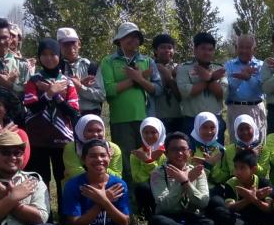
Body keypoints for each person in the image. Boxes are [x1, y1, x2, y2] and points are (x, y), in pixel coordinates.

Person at [98, 22, 161, 188]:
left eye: (136, 36)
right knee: (126, 161)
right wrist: (136, 79)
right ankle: (129, 199)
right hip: (121, 120)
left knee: (148, 159)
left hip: (147, 119)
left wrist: (140, 79)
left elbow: (158, 89)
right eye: (128, 36)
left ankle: (149, 198)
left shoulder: (148, 61)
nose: (133, 39)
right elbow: (109, 90)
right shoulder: (108, 61)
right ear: (119, 40)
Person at [22, 38, 80, 212]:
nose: (48, 58)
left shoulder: (68, 82)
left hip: (62, 139)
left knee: (64, 177)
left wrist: (55, 95)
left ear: (59, 55)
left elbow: (74, 112)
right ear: (39, 57)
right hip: (37, 138)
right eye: (44, 55)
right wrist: (49, 94)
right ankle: (44, 216)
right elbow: (31, 107)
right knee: (40, 179)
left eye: (53, 54)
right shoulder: (34, 81)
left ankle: (66, 215)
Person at [148, 132, 225, 225]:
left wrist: (186, 183)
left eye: (183, 149)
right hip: (169, 217)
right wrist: (184, 181)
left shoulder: (197, 171)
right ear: (166, 153)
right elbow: (164, 205)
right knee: (157, 222)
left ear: (189, 152)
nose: (179, 153)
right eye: (174, 149)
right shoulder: (158, 173)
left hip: (191, 216)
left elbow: (203, 201)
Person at [61, 139, 140, 225]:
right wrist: (100, 203)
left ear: (109, 158)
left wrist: (104, 201)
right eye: (93, 156)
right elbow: (75, 224)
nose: (99, 160)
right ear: (84, 159)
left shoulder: (118, 184)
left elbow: (124, 222)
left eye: (103, 155)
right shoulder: (73, 185)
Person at [210, 149, 274, 225]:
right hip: (242, 219)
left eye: (242, 168)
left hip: (261, 218)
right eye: (236, 167)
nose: (237, 172)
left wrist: (254, 199)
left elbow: (268, 208)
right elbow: (230, 207)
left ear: (253, 170)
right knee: (220, 212)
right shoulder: (231, 183)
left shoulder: (263, 182)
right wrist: (250, 198)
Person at [177, 32, 227, 137]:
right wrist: (211, 79)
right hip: (192, 120)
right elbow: (186, 91)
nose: (207, 53)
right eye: (203, 48)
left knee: (217, 153)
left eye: (210, 49)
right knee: (191, 153)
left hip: (215, 120)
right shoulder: (184, 69)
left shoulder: (220, 69)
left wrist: (208, 78)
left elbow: (223, 93)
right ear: (195, 50)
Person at [225, 34, 265, 140]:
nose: (244, 50)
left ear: (254, 49)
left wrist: (249, 78)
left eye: (248, 47)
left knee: (259, 145)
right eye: (241, 47)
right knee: (236, 146)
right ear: (236, 48)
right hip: (235, 109)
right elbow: (227, 89)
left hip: (255, 108)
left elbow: (262, 89)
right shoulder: (228, 65)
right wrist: (240, 77)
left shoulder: (261, 66)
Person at [62, 114, 124, 182]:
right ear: (81, 130)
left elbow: (117, 177)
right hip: (78, 186)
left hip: (108, 186)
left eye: (99, 130)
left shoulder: (113, 148)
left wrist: (106, 160)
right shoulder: (72, 148)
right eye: (90, 131)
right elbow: (76, 174)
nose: (95, 134)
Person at [57, 27, 104, 118]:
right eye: (66, 44)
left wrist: (80, 88)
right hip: (64, 117)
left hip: (89, 116)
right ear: (59, 46)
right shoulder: (56, 68)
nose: (70, 48)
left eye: (73, 43)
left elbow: (101, 95)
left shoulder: (91, 67)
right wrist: (73, 86)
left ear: (79, 44)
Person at [130, 117, 167, 218]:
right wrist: (147, 161)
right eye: (146, 132)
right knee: (142, 187)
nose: (149, 136)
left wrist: (149, 161)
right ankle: (146, 212)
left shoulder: (164, 153)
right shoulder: (136, 154)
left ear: (160, 133)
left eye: (153, 132)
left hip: (163, 188)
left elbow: (163, 176)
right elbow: (138, 178)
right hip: (147, 189)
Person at [152, 33, 189, 134]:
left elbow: (180, 96)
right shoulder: (150, 67)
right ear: (155, 50)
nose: (167, 50)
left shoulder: (180, 68)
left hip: (178, 116)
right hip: (158, 117)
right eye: (162, 47)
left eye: (170, 47)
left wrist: (168, 76)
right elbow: (155, 91)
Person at [190, 111, 230, 187]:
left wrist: (212, 167)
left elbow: (223, 177)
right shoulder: (189, 148)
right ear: (197, 126)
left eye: (212, 127)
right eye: (204, 127)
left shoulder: (221, 150)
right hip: (194, 188)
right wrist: (206, 165)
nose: (209, 132)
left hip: (214, 188)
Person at [221, 114, 267, 180]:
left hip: (258, 184)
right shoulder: (230, 150)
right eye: (241, 129)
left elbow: (262, 173)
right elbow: (233, 172)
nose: (245, 132)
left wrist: (251, 157)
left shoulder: (263, 148)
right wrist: (248, 154)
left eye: (248, 128)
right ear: (236, 131)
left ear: (253, 128)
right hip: (237, 184)